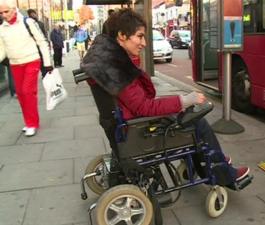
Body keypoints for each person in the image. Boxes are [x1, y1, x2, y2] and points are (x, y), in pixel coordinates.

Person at [81, 9, 250, 185]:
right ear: (122, 36)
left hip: (127, 124)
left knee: (187, 115)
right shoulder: (117, 68)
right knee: (197, 121)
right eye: (140, 36)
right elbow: (145, 107)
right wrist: (184, 100)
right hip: (136, 130)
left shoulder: (108, 61)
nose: (144, 43)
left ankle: (213, 161)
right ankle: (224, 174)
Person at [0, 0, 53, 136]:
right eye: (1, 13)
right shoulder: (2, 28)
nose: (4, 15)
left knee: (27, 91)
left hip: (31, 61)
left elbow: (42, 42)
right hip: (14, 63)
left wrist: (47, 63)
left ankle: (32, 123)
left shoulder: (27, 22)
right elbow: (2, 50)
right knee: (21, 93)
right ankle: (29, 121)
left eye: (6, 11)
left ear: (14, 9)